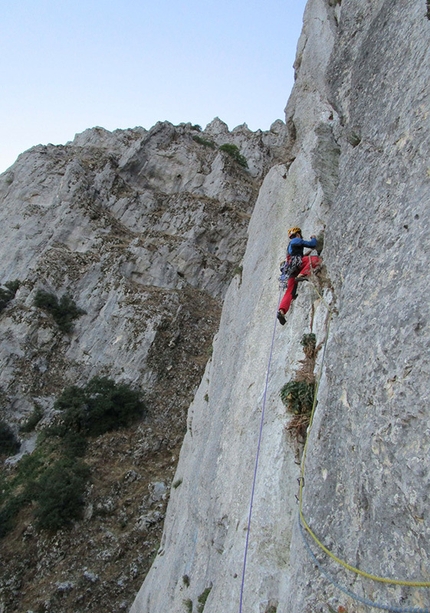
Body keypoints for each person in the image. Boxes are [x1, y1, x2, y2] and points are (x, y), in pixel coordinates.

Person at [277, 227, 321, 325]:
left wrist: (306, 254)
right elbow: (312, 244)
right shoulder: (296, 239)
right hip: (298, 265)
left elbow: (296, 255)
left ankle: (282, 311)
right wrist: (313, 238)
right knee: (315, 260)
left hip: (292, 269)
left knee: (290, 291)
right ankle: (302, 274)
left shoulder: (290, 246)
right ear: (298, 234)